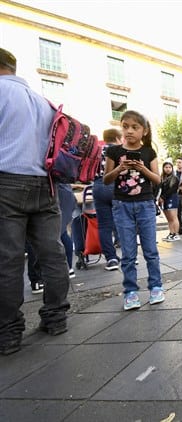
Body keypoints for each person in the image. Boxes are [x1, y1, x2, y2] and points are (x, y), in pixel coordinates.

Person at [0, 47, 71, 355]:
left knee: (8, 259)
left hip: (6, 181)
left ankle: (8, 332)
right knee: (52, 253)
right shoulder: (44, 102)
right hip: (46, 184)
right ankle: (56, 318)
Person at [103, 110, 164, 310]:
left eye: (134, 127)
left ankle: (156, 287)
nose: (129, 131)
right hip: (122, 205)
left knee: (151, 250)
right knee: (128, 253)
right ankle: (130, 292)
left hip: (145, 204)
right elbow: (106, 180)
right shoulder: (113, 152)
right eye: (125, 126)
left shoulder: (149, 152)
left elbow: (157, 179)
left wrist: (142, 169)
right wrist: (119, 169)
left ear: (144, 131)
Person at [93, 128, 122, 271]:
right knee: (123, 221)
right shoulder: (119, 150)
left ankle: (111, 258)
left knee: (104, 225)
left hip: (98, 186)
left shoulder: (96, 151)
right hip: (116, 185)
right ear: (117, 138)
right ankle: (130, 256)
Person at [158, 159, 181, 241]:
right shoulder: (162, 178)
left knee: (174, 217)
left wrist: (163, 197)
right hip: (164, 200)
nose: (168, 169)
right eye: (166, 167)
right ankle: (171, 233)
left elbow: (172, 190)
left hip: (172, 198)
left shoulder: (175, 178)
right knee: (169, 218)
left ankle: (176, 234)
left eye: (169, 167)